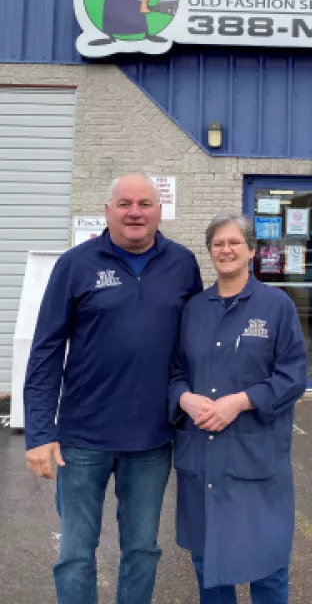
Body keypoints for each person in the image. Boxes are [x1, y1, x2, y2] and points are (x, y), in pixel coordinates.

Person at [24, 173, 203, 604]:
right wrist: (40, 432)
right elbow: (46, 350)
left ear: (160, 212)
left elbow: (195, 345)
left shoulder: (182, 264)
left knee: (142, 549)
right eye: (125, 203)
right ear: (108, 211)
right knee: (75, 554)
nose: (135, 212)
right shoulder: (76, 264)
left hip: (153, 438)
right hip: (83, 437)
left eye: (145, 203)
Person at [169, 213, 308, 604]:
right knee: (207, 560)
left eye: (234, 243)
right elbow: (175, 371)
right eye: (218, 244)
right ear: (210, 251)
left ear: (251, 250)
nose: (225, 250)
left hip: (256, 456)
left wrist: (241, 401)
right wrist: (184, 397)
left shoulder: (276, 306)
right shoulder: (194, 309)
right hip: (203, 454)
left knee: (268, 563)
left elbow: (293, 376)